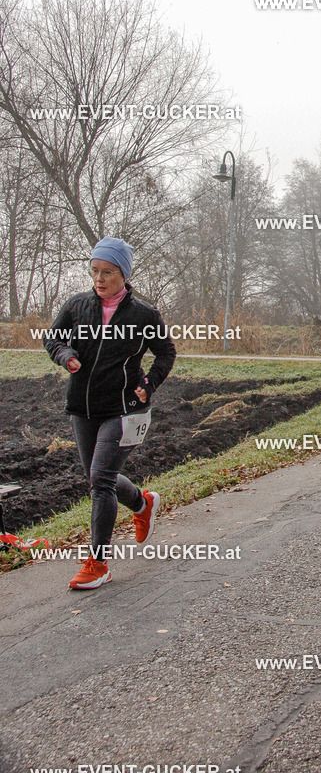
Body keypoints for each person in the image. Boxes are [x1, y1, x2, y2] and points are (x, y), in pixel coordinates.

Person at [44, 236, 176, 589]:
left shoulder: (143, 314)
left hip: (125, 409)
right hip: (83, 407)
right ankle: (142, 503)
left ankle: (98, 563)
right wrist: (65, 355)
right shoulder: (77, 306)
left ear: (123, 274)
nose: (99, 279)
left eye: (108, 272)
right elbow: (52, 339)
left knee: (100, 480)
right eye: (94, 271)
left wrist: (149, 383)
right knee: (97, 476)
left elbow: (166, 352)